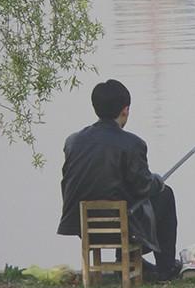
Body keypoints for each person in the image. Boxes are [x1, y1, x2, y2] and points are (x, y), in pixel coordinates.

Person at [57, 79, 180, 281]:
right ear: (125, 110)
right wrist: (158, 181)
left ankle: (126, 261)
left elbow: (67, 183)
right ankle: (166, 269)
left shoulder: (72, 142)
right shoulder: (133, 144)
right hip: (121, 227)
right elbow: (144, 186)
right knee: (165, 195)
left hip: (82, 225)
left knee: (122, 198)